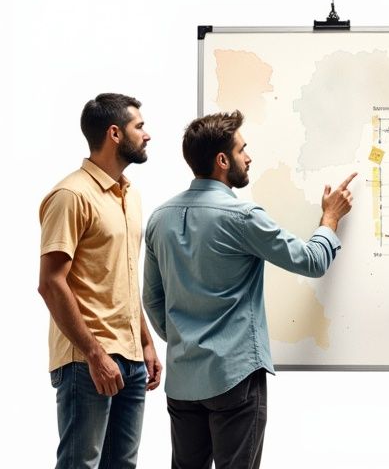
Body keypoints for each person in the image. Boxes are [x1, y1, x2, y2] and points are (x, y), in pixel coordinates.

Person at [143, 110, 357, 469]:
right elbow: (310, 261)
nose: (249, 157)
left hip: (183, 382)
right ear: (222, 160)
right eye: (242, 149)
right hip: (235, 378)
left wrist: (184, 339)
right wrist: (330, 218)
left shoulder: (159, 218)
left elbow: (151, 298)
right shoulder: (241, 217)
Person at [37, 93, 163, 468]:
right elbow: (50, 283)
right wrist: (95, 354)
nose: (147, 134)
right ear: (114, 133)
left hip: (131, 358)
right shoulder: (70, 195)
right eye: (139, 126)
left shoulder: (130, 196)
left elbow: (122, 277)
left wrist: (146, 342)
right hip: (86, 362)